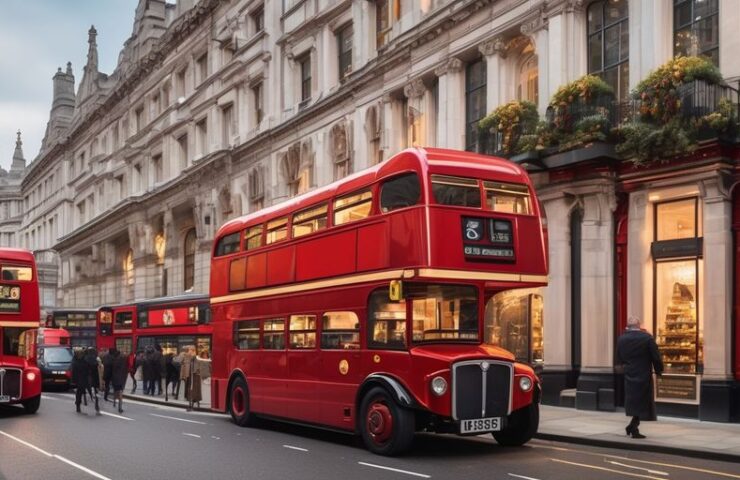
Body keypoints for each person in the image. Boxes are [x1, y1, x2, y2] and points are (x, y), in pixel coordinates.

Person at [616, 316, 664, 439]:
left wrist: (623, 369)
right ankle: (633, 427)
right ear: (639, 325)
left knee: (635, 403)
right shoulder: (647, 338)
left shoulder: (621, 339)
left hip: (629, 375)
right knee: (643, 403)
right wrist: (659, 370)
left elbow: (619, 358)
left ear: (628, 326)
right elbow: (656, 357)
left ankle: (633, 426)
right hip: (643, 375)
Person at [71, 349, 90, 413]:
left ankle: (78, 404)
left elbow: (73, 372)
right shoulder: (85, 362)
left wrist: (73, 380)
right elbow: (88, 371)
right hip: (83, 379)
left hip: (79, 379)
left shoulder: (75, 362)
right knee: (81, 391)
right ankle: (80, 403)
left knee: (79, 392)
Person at [110, 347, 128, 414]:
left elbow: (112, 370)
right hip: (121, 378)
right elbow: (125, 370)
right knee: (120, 393)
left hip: (115, 378)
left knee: (115, 391)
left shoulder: (113, 361)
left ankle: (114, 402)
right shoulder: (123, 361)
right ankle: (120, 407)